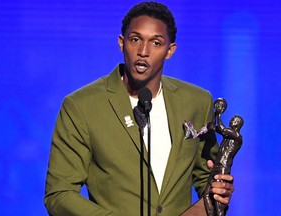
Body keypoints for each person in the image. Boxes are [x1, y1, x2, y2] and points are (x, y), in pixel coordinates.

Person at [44, 2, 234, 215]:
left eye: (156, 43)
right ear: (121, 43)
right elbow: (59, 194)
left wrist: (217, 193)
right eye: (136, 40)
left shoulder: (196, 101)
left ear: (170, 51)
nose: (143, 51)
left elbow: (203, 176)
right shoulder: (82, 106)